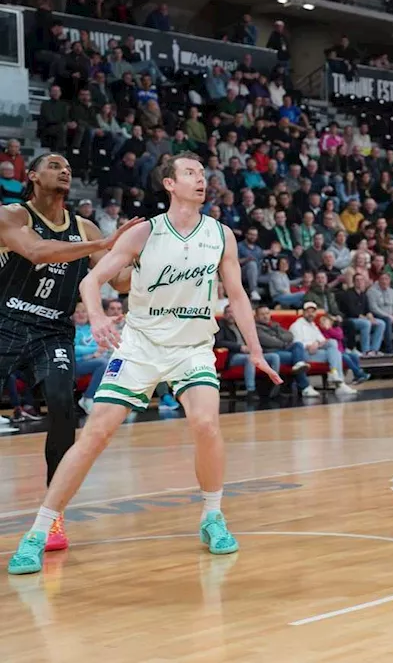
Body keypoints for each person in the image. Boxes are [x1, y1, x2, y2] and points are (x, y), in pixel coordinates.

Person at [8, 152, 282, 575]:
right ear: (169, 184)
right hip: (140, 345)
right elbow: (91, 278)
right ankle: (39, 531)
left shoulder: (221, 235)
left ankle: (212, 516)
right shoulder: (145, 233)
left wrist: (256, 349)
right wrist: (97, 317)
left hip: (191, 347)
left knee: (207, 424)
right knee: (95, 434)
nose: (200, 179)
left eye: (203, 174)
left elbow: (239, 297)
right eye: (190, 173)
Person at [0, 153, 138, 554]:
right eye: (55, 165)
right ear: (33, 176)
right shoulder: (12, 215)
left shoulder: (85, 227)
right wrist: (103, 244)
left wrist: (147, 258)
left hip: (52, 333)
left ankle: (52, 512)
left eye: (69, 168)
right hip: (5, 323)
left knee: (63, 407)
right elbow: (39, 252)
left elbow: (122, 282)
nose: (65, 171)